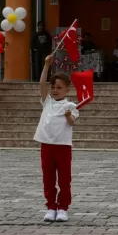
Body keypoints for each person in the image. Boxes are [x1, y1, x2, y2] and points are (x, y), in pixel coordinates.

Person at [35, 54, 80, 222]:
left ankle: (63, 208)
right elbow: (41, 84)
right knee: (48, 178)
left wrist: (68, 114)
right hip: (47, 145)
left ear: (67, 89)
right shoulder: (47, 102)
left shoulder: (71, 105)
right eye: (53, 87)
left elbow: (71, 122)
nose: (55, 90)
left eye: (59, 88)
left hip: (63, 146)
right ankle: (51, 207)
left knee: (64, 179)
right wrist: (47, 65)